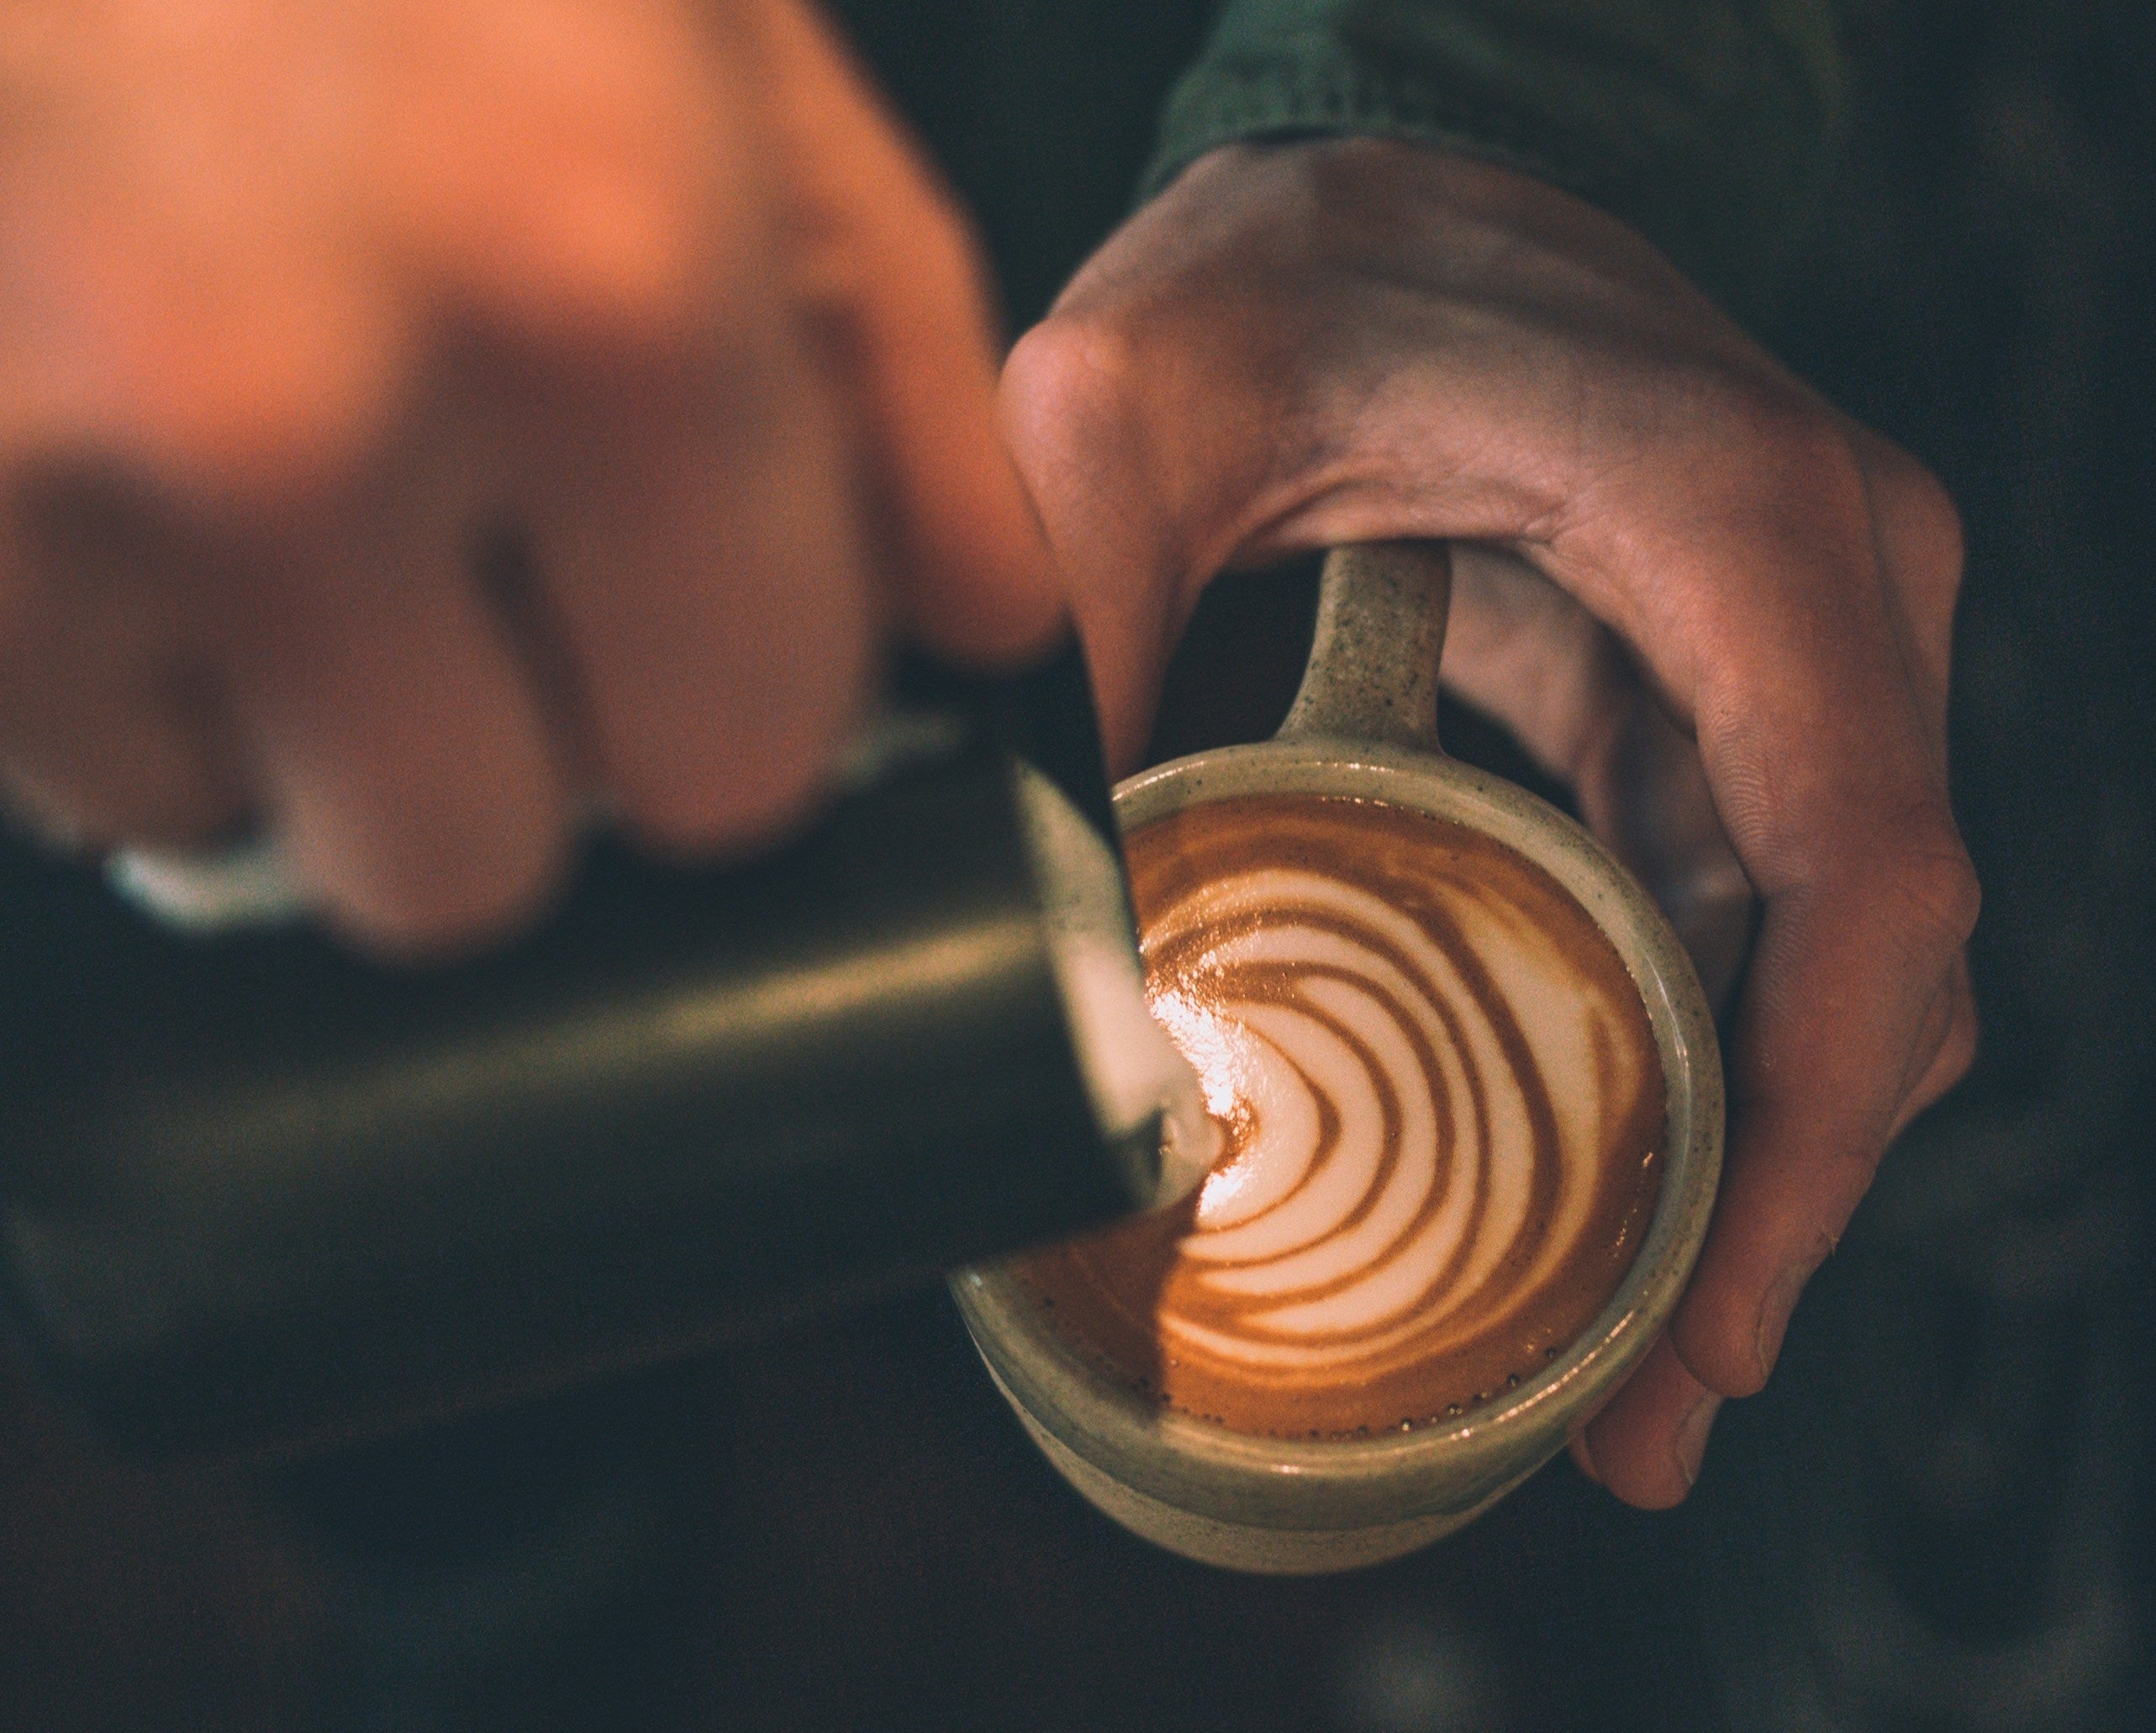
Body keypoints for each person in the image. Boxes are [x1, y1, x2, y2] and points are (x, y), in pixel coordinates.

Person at [0, 0, 1974, 1513]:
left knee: (943, 1185)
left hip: (1104, 240)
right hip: (135, 652)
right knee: (385, 1307)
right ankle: (503, 1565)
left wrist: (1476, 90)